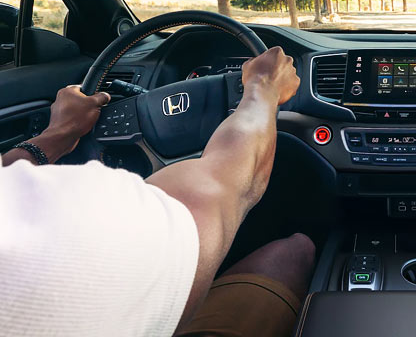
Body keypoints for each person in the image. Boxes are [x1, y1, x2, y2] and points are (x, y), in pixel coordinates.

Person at [1, 47, 315, 336]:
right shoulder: (40, 243)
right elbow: (226, 188)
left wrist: (56, 135)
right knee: (296, 249)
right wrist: (262, 88)